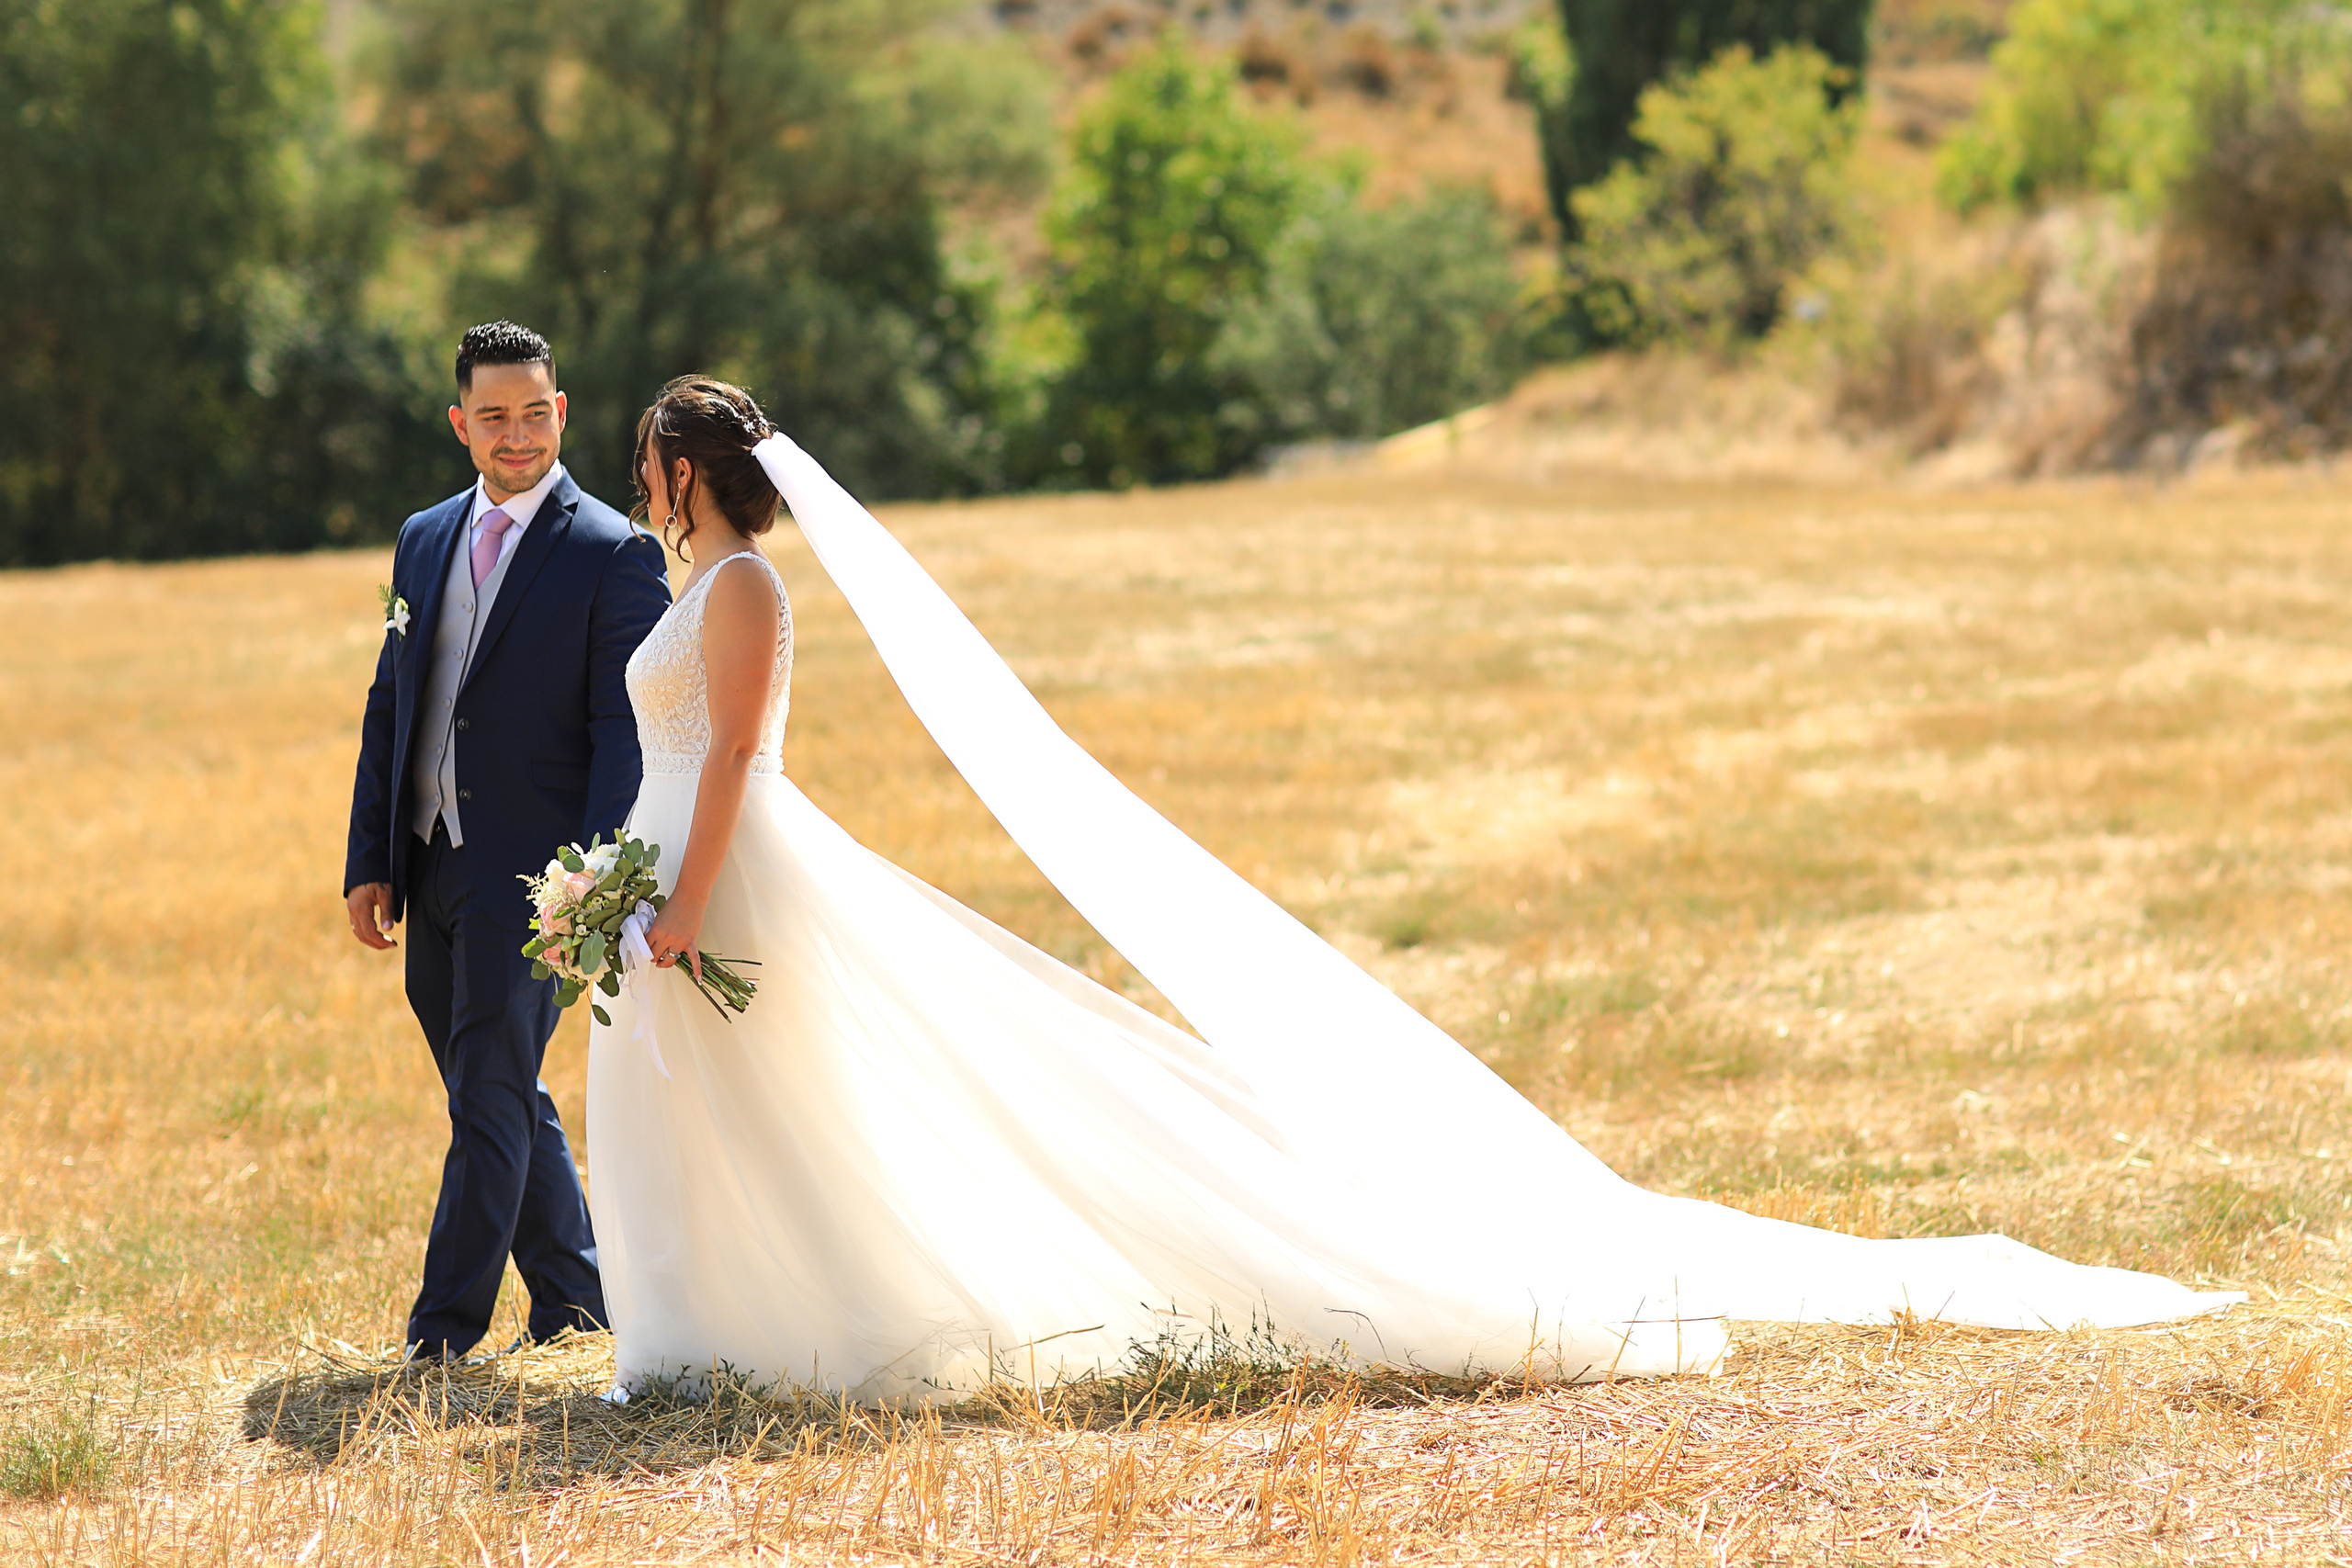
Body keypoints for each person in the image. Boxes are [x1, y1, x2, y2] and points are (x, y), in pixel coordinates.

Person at [590, 375, 2240, 1406]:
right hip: (678, 874)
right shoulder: (704, 576)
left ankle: (765, 1323)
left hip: (727, 873)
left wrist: (676, 903)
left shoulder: (739, 588)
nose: (642, 482)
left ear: (682, 469)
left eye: (647, 461)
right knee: (743, 1103)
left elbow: (733, 759)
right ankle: (702, 1331)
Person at [344, 321, 672, 1362]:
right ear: (460, 423)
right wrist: (371, 858)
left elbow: (627, 727)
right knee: (494, 1087)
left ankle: (439, 1338)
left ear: (561, 412)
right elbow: (392, 699)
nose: (518, 434)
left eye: (537, 412)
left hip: (539, 878)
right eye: (495, 416)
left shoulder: (613, 551)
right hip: (431, 857)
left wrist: (593, 871)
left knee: (487, 1092)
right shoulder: (424, 535)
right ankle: (575, 1300)